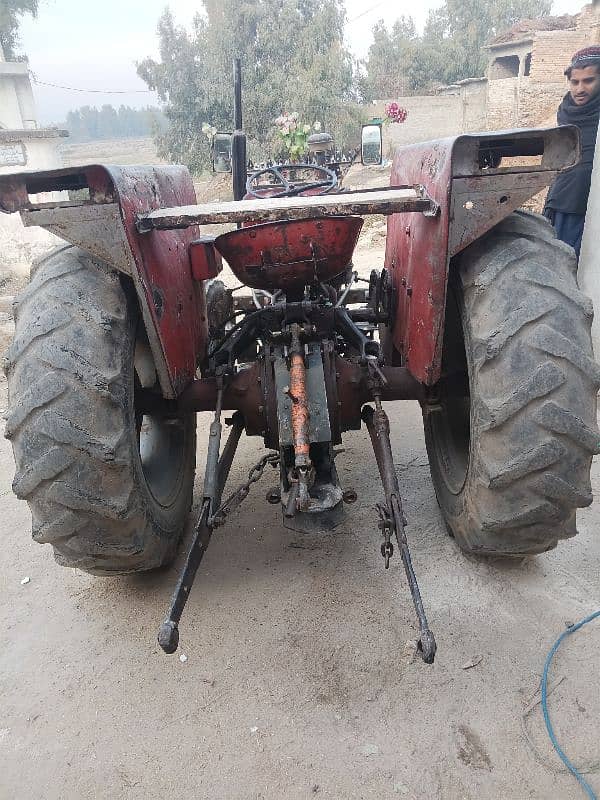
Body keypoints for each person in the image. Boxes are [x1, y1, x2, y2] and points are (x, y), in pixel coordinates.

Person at [544, 46, 600, 259]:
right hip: (561, 199)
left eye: (588, 81)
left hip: (590, 204)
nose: (580, 89)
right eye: (575, 82)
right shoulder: (566, 111)